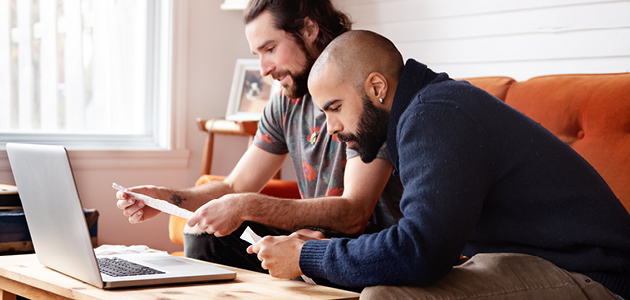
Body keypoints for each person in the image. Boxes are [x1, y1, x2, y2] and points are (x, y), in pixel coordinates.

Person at [248, 30, 630, 299]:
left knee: (387, 296)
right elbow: (426, 243)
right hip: (540, 265)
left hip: (595, 279)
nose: (332, 127)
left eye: (335, 108)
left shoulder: (435, 115)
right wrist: (324, 252)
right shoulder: (426, 111)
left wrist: (307, 256)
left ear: (376, 88)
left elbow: (419, 251)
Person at [116, 1, 402, 275]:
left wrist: (246, 205)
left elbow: (354, 214)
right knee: (205, 237)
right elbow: (234, 185)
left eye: (271, 48)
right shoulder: (284, 103)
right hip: (314, 238)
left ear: (309, 30)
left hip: (367, 246)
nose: (264, 69)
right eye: (259, 54)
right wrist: (165, 197)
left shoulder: (361, 88)